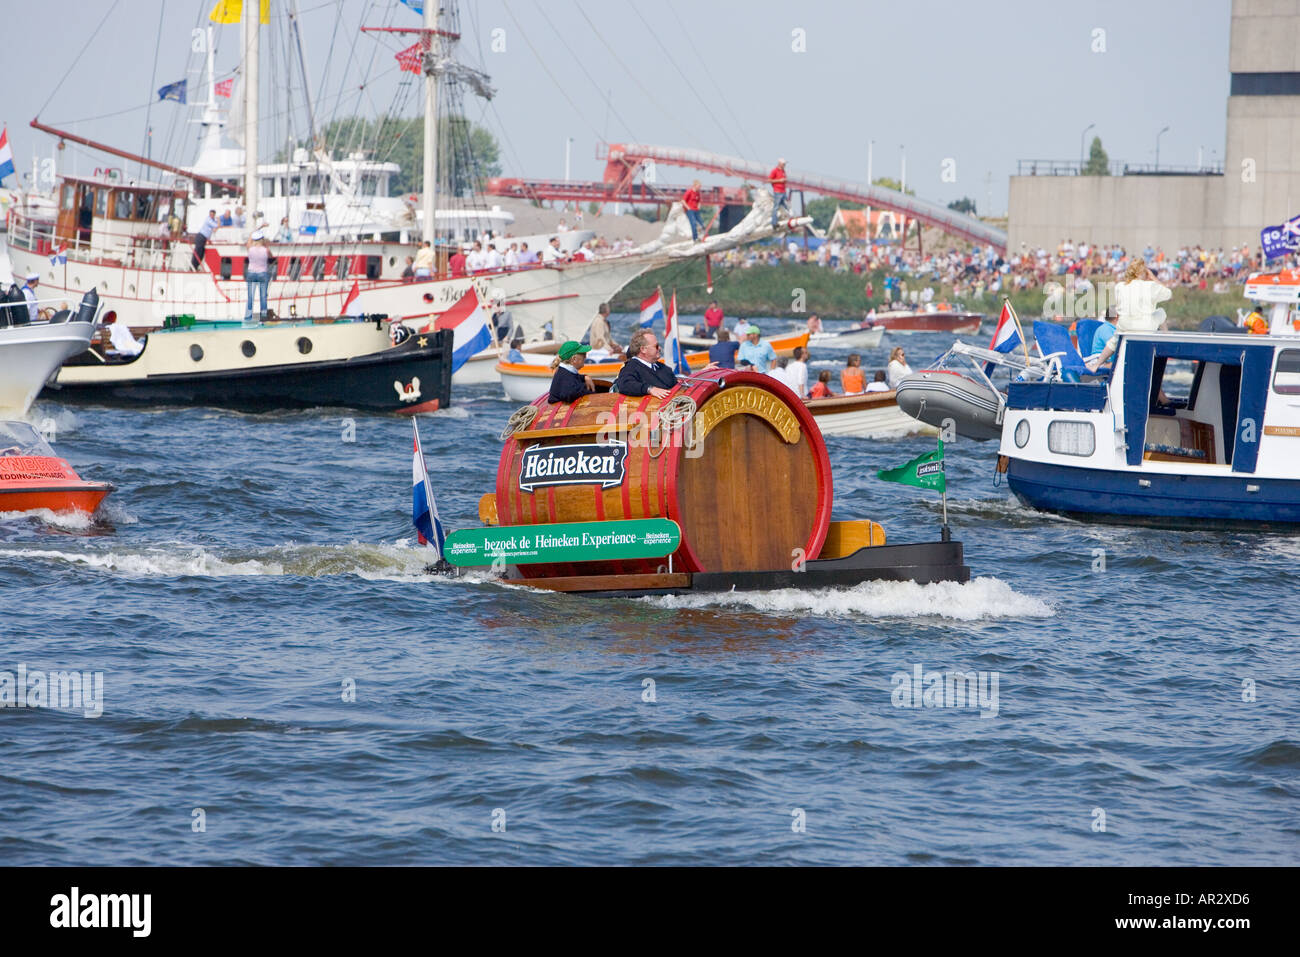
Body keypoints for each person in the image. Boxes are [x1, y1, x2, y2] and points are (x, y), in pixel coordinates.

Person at [1086, 259, 1172, 370]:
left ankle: (1096, 365)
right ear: (1143, 273)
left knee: (1113, 342)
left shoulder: (1120, 286)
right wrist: (1153, 278)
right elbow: (1169, 294)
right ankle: (1167, 341)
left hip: (1125, 325)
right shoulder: (1150, 286)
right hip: (1145, 327)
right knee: (1161, 312)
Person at [614, 329, 678, 398]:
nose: (659, 348)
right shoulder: (631, 368)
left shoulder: (662, 368)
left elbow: (674, 382)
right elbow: (625, 385)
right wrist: (649, 389)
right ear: (643, 349)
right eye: (656, 346)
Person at [245, 232, 270, 321]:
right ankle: (263, 317)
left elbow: (248, 241)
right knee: (263, 296)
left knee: (250, 296)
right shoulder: (265, 250)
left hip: (251, 273)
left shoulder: (250, 249)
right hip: (263, 273)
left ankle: (248, 316)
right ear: (262, 240)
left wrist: (256, 230)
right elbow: (271, 255)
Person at [770, 158, 789, 228]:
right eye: (784, 164)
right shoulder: (775, 171)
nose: (785, 165)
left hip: (783, 191)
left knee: (786, 206)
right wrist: (779, 180)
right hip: (778, 191)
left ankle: (787, 220)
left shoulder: (783, 171)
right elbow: (770, 180)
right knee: (776, 207)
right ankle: (774, 222)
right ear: (780, 164)